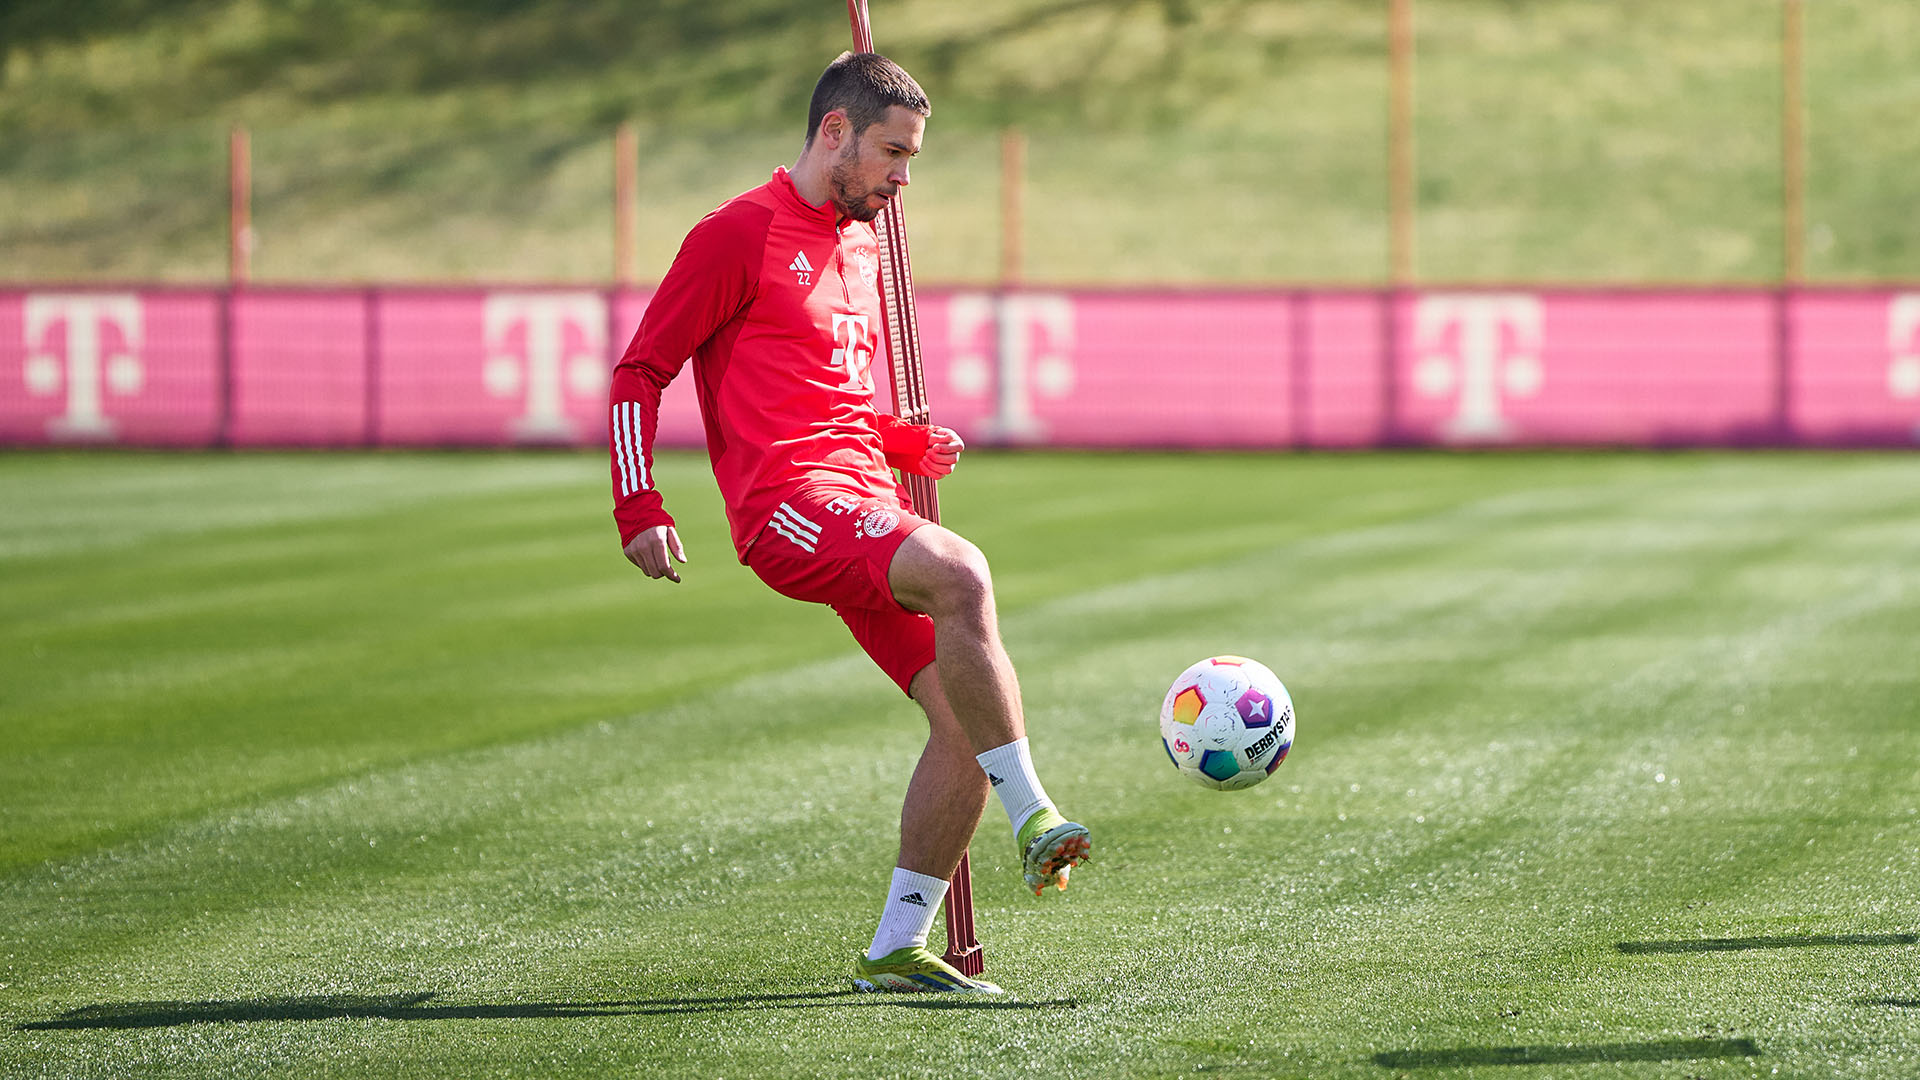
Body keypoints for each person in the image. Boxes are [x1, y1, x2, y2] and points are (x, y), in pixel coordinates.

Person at [606, 51, 1089, 995]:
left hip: (865, 495)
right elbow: (640, 372)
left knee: (961, 715)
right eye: (892, 155)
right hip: (786, 508)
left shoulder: (861, 240)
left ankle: (897, 946)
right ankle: (1035, 814)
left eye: (912, 159)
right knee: (964, 574)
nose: (903, 180)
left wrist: (899, 441)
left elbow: (825, 398)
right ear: (835, 133)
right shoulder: (735, 235)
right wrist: (639, 504)